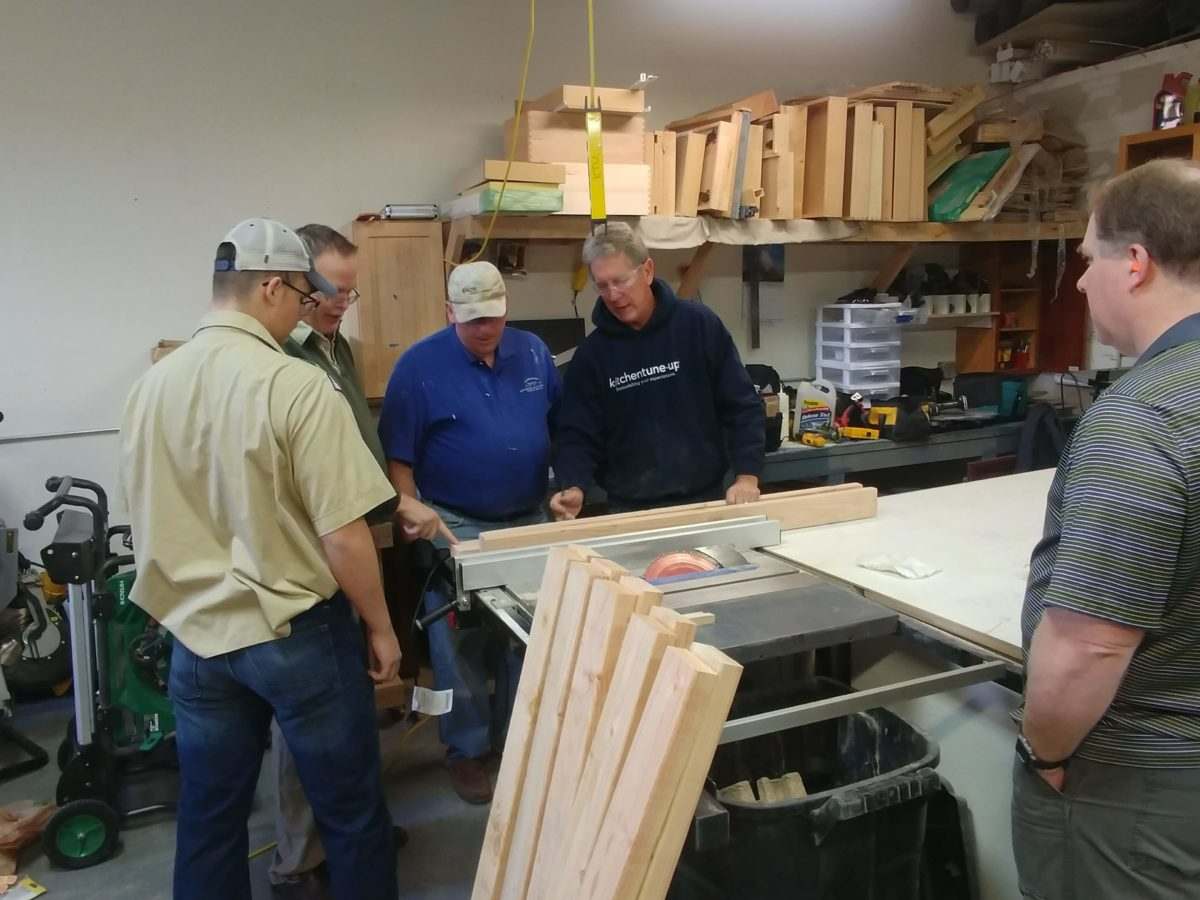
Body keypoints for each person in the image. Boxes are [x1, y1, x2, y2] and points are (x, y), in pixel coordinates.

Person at [120, 218, 400, 900]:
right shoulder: (297, 387)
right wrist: (382, 628)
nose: (306, 312)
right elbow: (343, 534)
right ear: (270, 286)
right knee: (352, 814)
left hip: (197, 641)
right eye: (303, 297)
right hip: (295, 633)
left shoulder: (151, 388)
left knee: (210, 818)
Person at [1013, 159, 1200, 900]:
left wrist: (1044, 751)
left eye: (1087, 260)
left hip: (1133, 792)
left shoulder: (1142, 417)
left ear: (1136, 264)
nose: (1081, 283)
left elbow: (1091, 641)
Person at [270, 224, 446, 898]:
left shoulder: (333, 345)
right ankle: (296, 862)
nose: (346, 303)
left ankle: (354, 830)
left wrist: (394, 502)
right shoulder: (285, 361)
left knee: (349, 709)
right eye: (334, 291)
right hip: (315, 561)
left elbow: (357, 451)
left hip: (356, 543)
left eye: (352, 291)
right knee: (305, 721)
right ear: (298, 285)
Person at [378, 261, 559, 804]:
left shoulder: (533, 352)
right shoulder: (417, 368)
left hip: (529, 517)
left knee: (527, 638)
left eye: (495, 317)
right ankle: (468, 751)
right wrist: (412, 510)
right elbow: (398, 460)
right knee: (458, 646)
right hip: (455, 523)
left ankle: (517, 743)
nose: (486, 328)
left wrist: (564, 485)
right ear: (449, 311)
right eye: (474, 319)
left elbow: (560, 422)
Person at [549, 222, 765, 519]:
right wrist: (574, 486)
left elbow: (742, 406)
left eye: (620, 281)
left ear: (647, 270)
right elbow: (576, 433)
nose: (612, 295)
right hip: (629, 509)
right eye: (602, 285)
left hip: (704, 499)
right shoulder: (592, 355)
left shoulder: (698, 327)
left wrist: (747, 477)